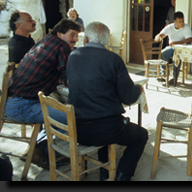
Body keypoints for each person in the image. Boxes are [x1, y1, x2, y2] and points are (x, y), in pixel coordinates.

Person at [66, 21, 148, 181]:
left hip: (77, 129)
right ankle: (122, 177)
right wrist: (139, 88)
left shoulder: (73, 56)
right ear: (106, 41)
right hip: (108, 130)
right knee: (141, 135)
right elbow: (128, 97)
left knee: (103, 120)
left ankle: (105, 172)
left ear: (86, 40)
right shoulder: (113, 59)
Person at [5, 19, 81, 167]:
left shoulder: (46, 40)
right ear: (60, 34)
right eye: (72, 35)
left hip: (12, 102)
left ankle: (37, 149)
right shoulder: (61, 46)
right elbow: (69, 79)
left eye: (77, 36)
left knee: (56, 111)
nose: (75, 39)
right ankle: (48, 153)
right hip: (22, 105)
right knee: (72, 118)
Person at [154, 11, 192, 85]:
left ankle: (174, 78)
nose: (182, 23)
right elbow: (160, 35)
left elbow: (189, 40)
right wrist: (158, 37)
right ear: (175, 22)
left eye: (183, 21)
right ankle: (164, 75)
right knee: (162, 54)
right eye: (180, 21)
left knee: (177, 57)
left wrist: (176, 43)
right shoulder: (170, 27)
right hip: (172, 48)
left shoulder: (186, 26)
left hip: (182, 50)